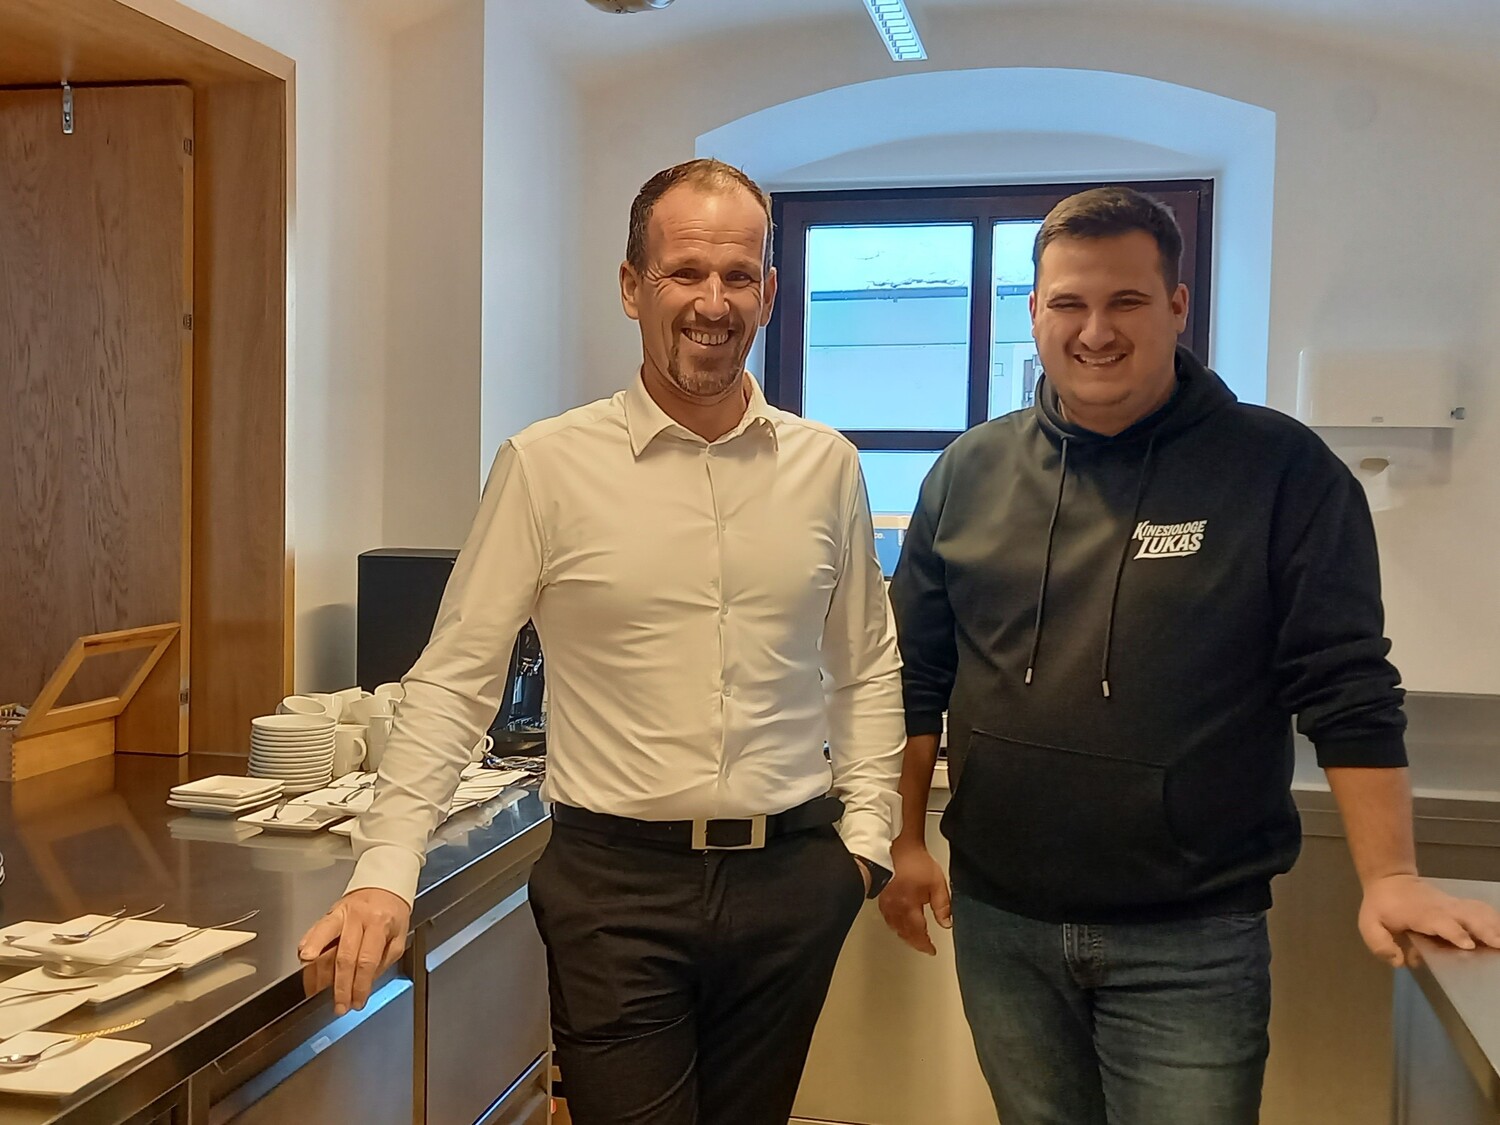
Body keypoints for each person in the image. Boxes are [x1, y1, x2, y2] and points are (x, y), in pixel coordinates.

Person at [298, 158, 904, 1125]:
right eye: (685, 272)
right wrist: (384, 872)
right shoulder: (546, 467)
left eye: (737, 276)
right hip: (615, 891)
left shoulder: (826, 466)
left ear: (768, 292)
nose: (713, 302)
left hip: (792, 881)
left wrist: (865, 844)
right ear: (632, 286)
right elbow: (454, 681)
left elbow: (865, 664)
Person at [880, 185, 1500, 1125]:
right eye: (1069, 303)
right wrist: (903, 839)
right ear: (1035, 312)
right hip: (1003, 924)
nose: (1096, 331)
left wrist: (1392, 877)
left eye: (1126, 301)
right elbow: (915, 675)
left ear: (1177, 305)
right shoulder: (968, 470)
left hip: (1191, 939)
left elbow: (1346, 686)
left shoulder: (1281, 471)